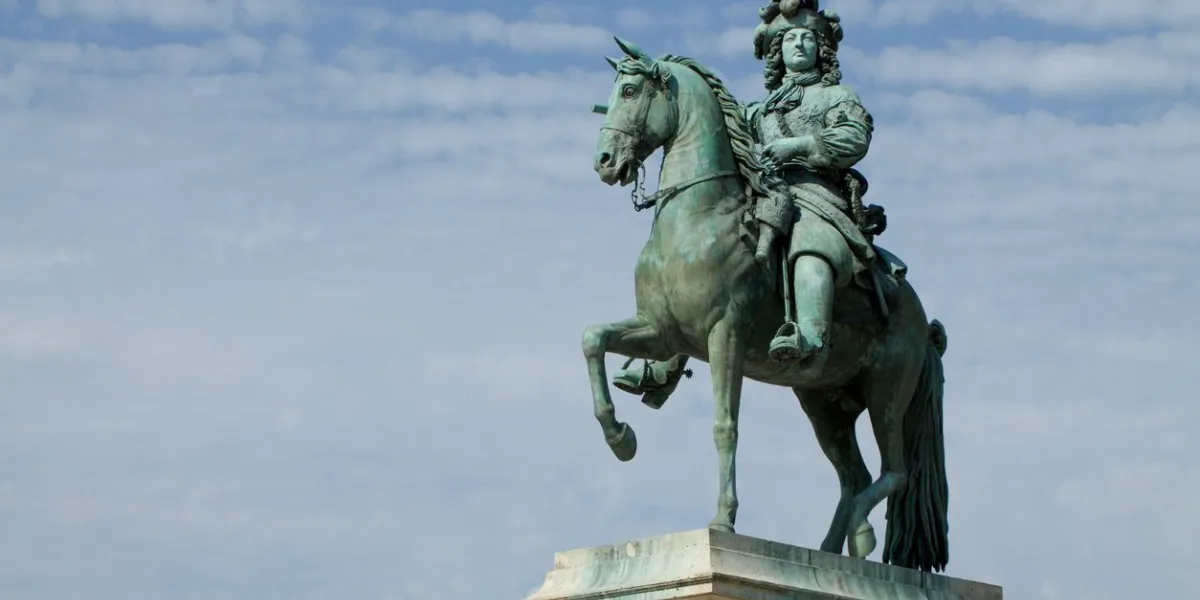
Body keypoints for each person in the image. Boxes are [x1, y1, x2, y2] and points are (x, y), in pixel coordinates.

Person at [612, 0, 880, 400]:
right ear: (778, 51)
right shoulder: (758, 111)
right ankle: (664, 365)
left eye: (808, 38)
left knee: (809, 242)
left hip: (815, 194)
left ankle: (807, 333)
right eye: (790, 39)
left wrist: (798, 146)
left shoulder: (836, 96)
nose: (799, 45)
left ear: (822, 49)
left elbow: (855, 137)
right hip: (763, 192)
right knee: (708, 256)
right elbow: (721, 126)